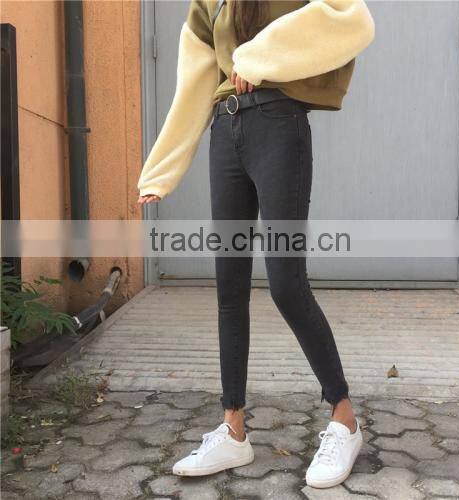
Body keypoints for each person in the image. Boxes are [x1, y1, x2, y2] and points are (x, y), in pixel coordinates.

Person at [137, 0, 375, 489]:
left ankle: (345, 418)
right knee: (230, 288)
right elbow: (195, 78)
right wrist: (162, 168)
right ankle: (233, 429)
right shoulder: (208, 3)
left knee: (287, 283)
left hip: (278, 126)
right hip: (226, 131)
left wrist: (256, 58)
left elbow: (351, 19)